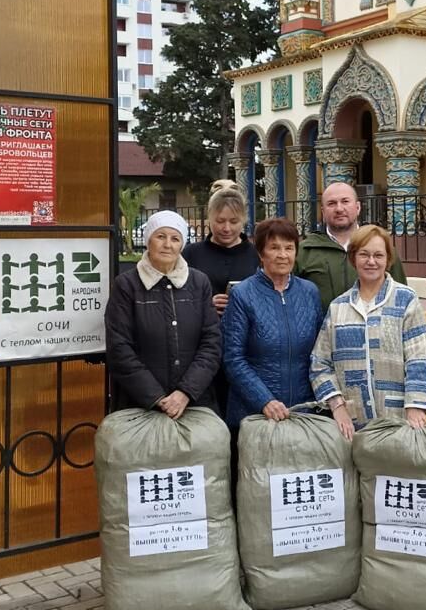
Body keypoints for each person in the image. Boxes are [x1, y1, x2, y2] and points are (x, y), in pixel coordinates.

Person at [311, 224, 426, 439]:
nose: (371, 261)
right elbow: (319, 363)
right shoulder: (338, 307)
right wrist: (337, 406)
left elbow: (419, 359)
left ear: (388, 259)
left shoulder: (406, 300)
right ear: (353, 258)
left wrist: (415, 406)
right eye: (364, 254)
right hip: (352, 425)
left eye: (378, 255)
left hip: (399, 421)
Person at [105, 210, 221, 418]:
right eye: (160, 236)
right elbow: (119, 347)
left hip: (194, 402)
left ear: (182, 245)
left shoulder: (199, 283)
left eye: (175, 238)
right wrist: (156, 397)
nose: (168, 244)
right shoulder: (126, 285)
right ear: (148, 240)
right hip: (139, 405)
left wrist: (185, 392)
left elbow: (211, 342)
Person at [220, 217, 323, 429]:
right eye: (274, 247)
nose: (283, 255)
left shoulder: (309, 292)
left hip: (302, 411)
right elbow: (232, 358)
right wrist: (264, 400)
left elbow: (321, 351)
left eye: (289, 248)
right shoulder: (242, 294)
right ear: (260, 253)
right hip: (254, 414)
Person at [183, 180, 260, 417]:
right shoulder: (191, 254)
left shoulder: (256, 255)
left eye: (234, 222)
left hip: (248, 348)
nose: (226, 228)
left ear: (244, 220)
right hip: (201, 349)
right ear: (209, 219)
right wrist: (205, 303)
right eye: (220, 221)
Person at [297, 181, 407, 312]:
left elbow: (401, 294)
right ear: (323, 211)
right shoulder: (305, 251)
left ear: (358, 207)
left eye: (345, 201)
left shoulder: (380, 247)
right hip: (323, 330)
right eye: (331, 203)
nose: (339, 209)